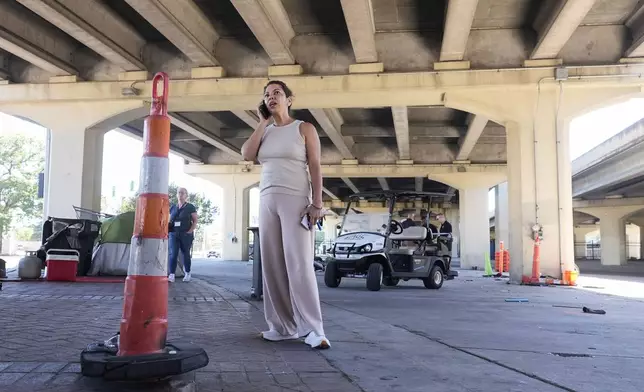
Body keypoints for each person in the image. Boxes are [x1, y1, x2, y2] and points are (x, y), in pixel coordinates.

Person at [240, 80, 331, 349]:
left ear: (289, 99)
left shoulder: (304, 128)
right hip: (267, 199)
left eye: (277, 93)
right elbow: (247, 154)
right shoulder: (265, 132)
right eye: (267, 95)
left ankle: (315, 329)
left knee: (299, 264)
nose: (271, 97)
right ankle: (282, 327)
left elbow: (315, 166)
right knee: (272, 265)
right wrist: (261, 123)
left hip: (296, 200)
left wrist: (317, 203)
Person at [168, 187, 198, 283]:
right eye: (179, 193)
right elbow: (169, 220)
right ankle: (171, 274)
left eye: (183, 193)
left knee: (186, 254)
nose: (180, 194)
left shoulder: (190, 207)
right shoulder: (173, 207)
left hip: (185, 234)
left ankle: (187, 273)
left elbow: (195, 220)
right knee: (173, 254)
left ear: (186, 195)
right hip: (173, 233)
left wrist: (189, 231)